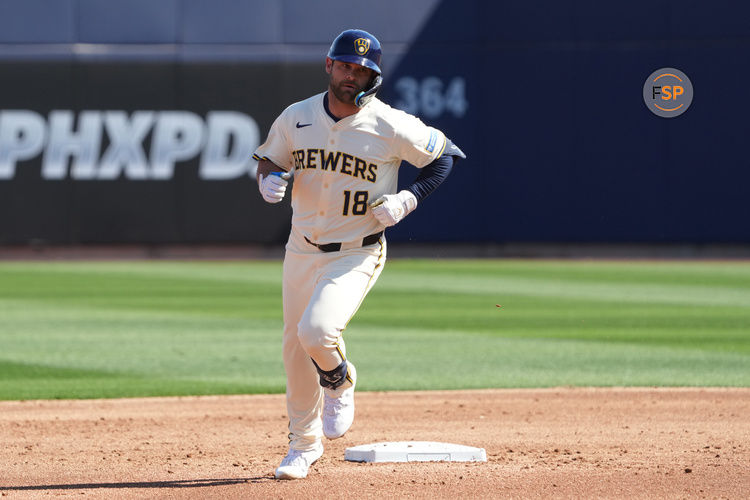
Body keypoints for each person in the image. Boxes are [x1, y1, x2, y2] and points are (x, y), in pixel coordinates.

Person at [253, 28, 465, 480]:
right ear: (330, 65)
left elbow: (446, 156)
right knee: (295, 348)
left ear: (375, 75)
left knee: (317, 330)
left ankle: (340, 380)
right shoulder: (297, 116)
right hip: (301, 247)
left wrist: (408, 199)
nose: (353, 74)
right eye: (346, 65)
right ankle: (303, 446)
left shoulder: (389, 123)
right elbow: (270, 158)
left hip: (356, 250)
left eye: (362, 69)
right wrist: (265, 179)